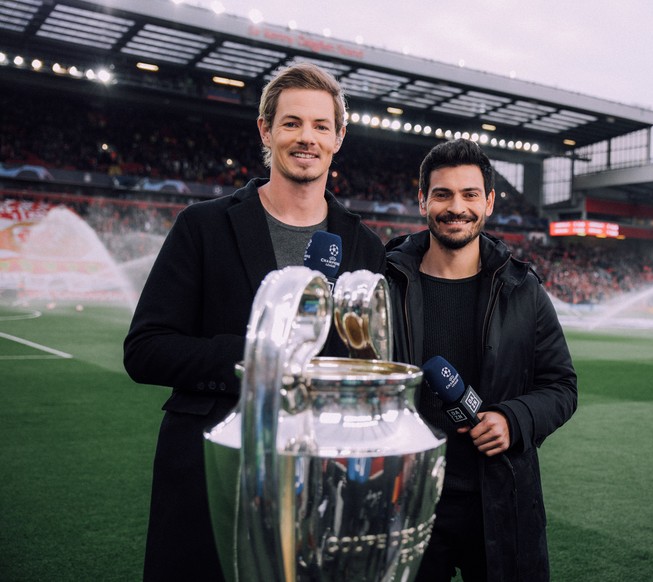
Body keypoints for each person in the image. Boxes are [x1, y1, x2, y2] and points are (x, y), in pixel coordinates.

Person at [124, 62, 386, 582]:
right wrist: (259, 356)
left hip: (319, 481)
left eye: (319, 126)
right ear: (266, 131)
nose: (305, 137)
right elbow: (145, 349)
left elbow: (367, 367)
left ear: (339, 138)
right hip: (210, 471)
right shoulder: (202, 226)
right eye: (291, 123)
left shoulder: (363, 247)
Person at [385, 139, 578, 581]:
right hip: (408, 500)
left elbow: (562, 387)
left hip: (500, 500)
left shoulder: (522, 288)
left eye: (470, 194)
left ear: (488, 202)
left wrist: (514, 419)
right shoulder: (386, 282)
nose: (457, 207)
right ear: (422, 201)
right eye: (442, 194)